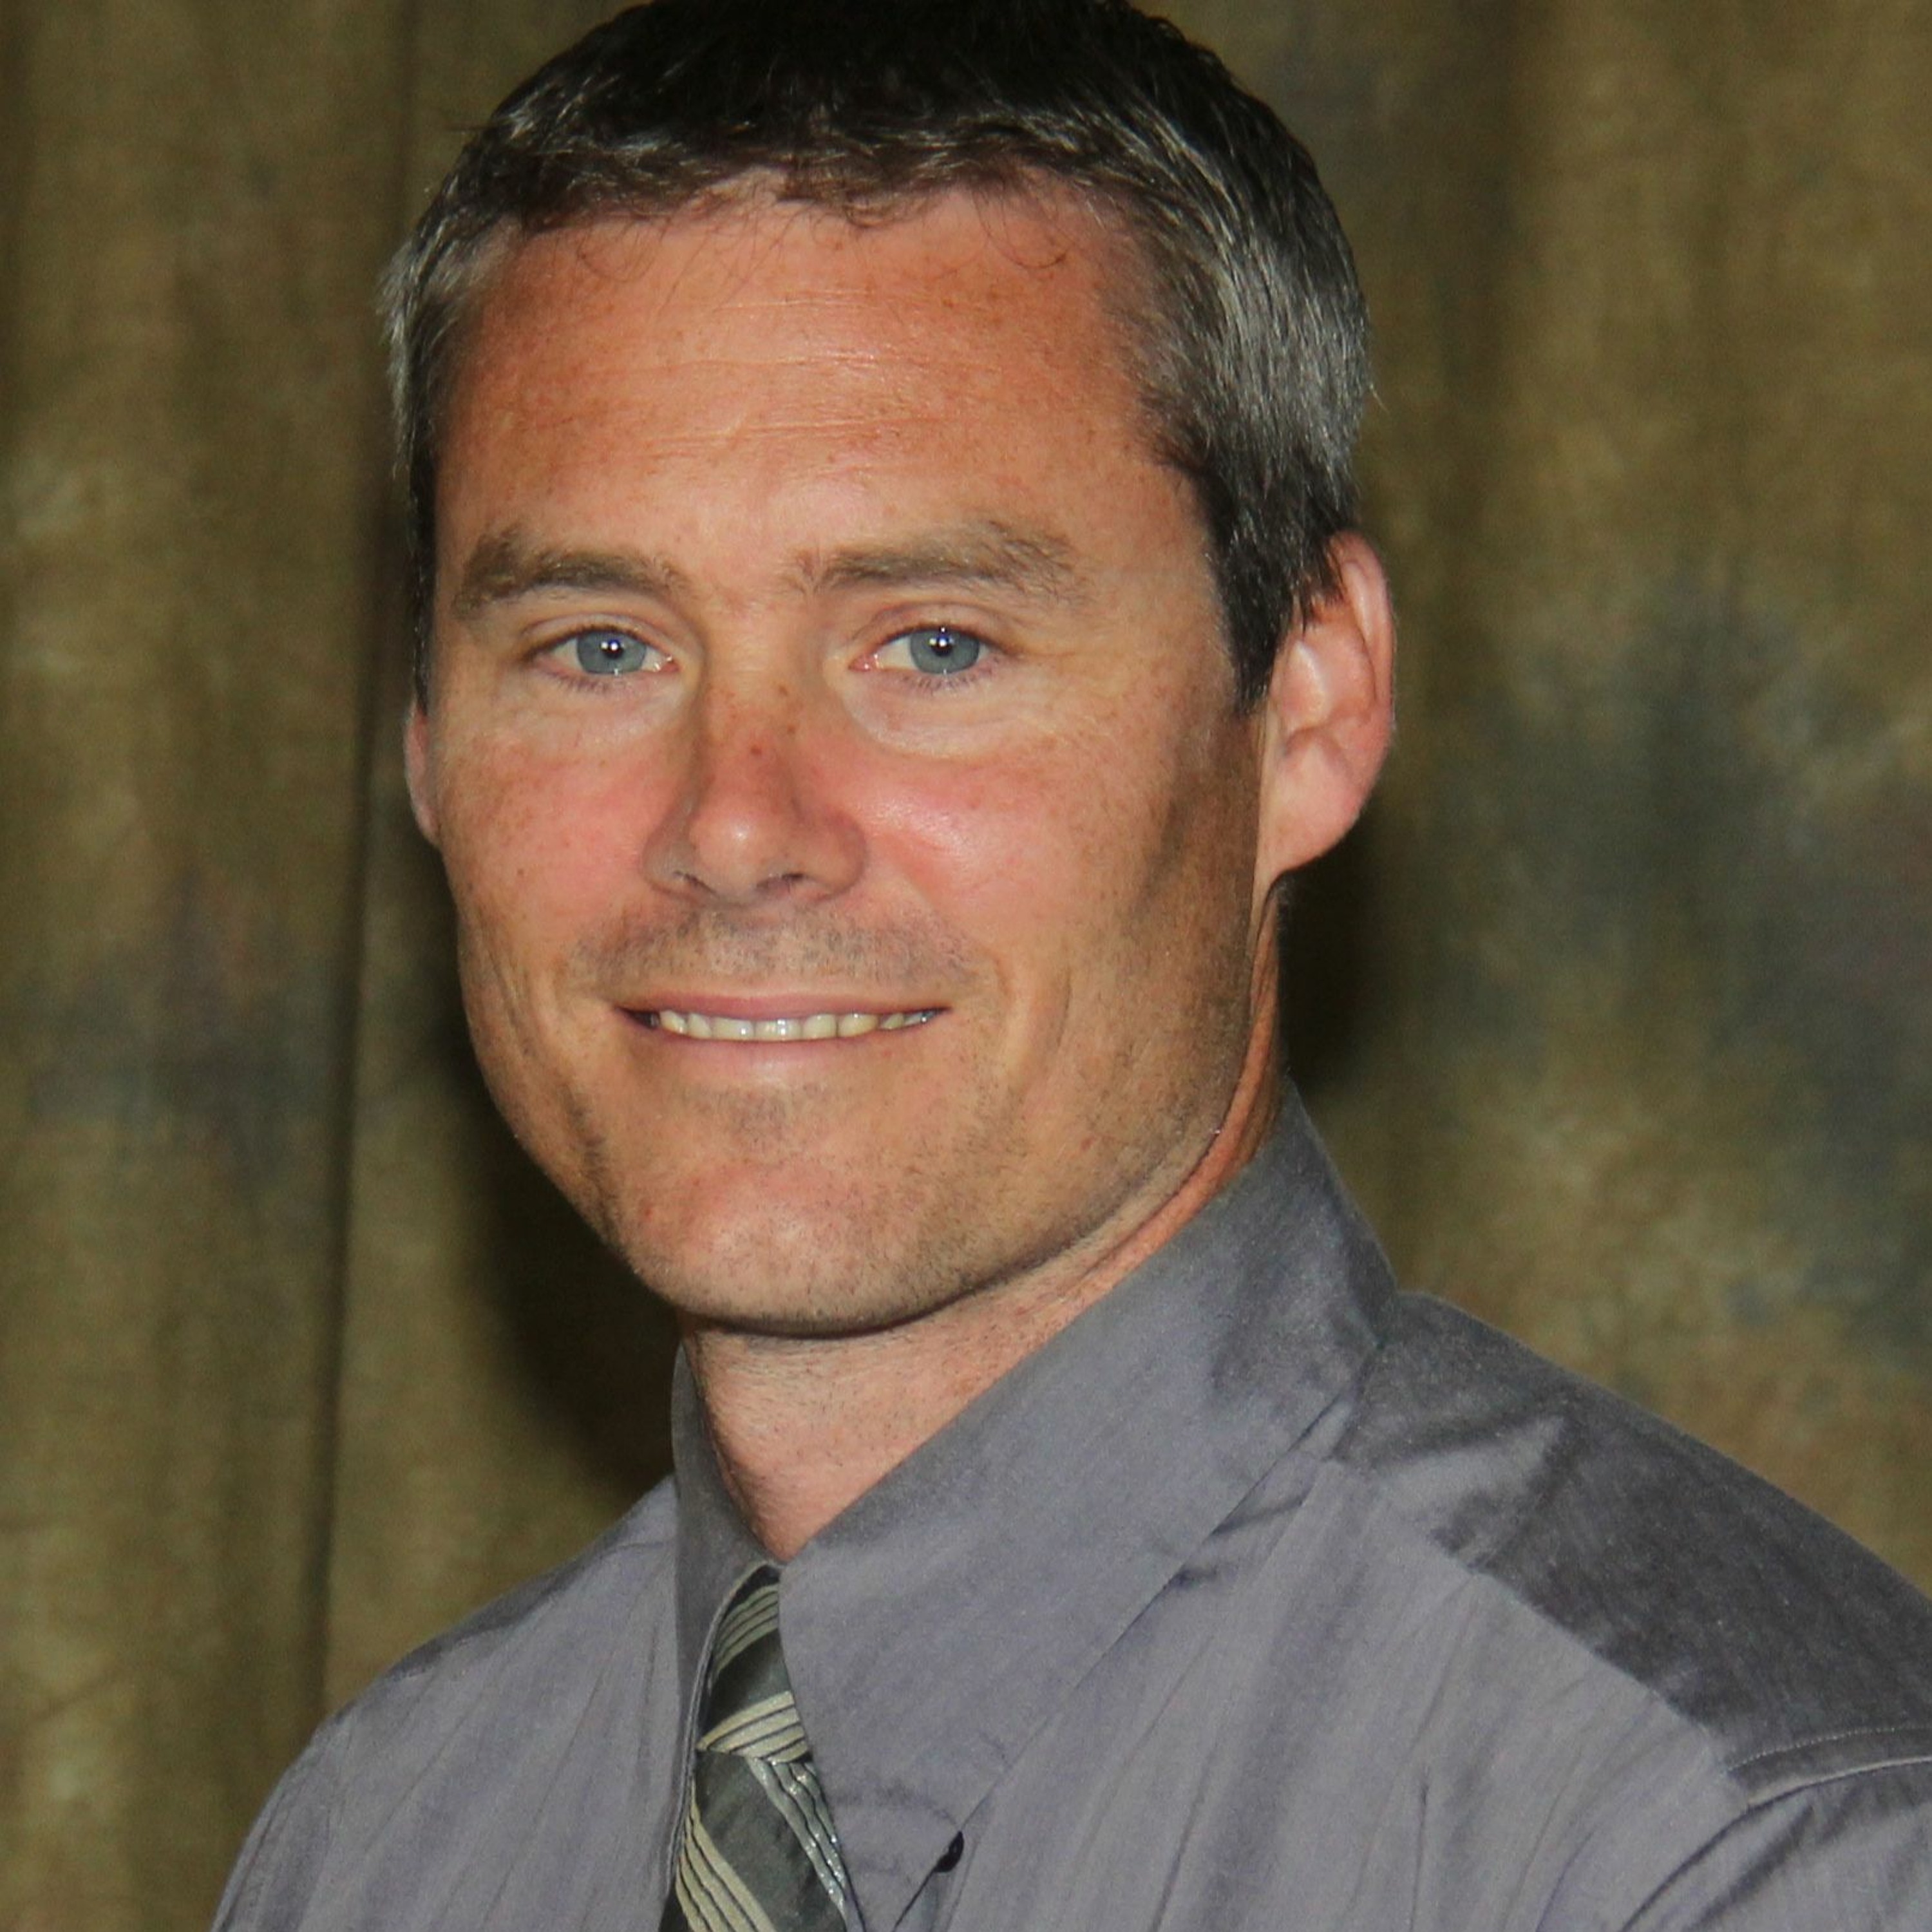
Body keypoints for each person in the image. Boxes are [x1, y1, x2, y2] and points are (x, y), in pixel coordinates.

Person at [214, 1, 1932, 1926]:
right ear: (425, 746)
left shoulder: (1735, 1852)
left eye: (935, 645)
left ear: (1307, 708)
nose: (738, 825)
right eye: (599, 647)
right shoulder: (389, 1846)